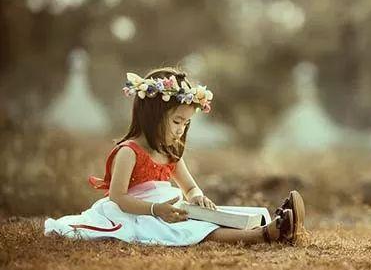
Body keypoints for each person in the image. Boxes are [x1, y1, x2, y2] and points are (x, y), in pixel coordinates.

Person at [44, 67, 305, 246]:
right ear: (152, 116)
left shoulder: (170, 153)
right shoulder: (129, 152)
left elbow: (189, 187)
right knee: (195, 229)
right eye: (177, 121)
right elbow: (118, 197)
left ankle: (277, 221)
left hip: (171, 210)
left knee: (212, 216)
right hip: (138, 214)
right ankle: (264, 235)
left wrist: (197, 196)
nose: (181, 130)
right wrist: (156, 210)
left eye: (186, 123)